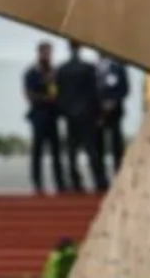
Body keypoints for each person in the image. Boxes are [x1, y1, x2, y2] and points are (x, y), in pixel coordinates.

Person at [54, 43, 107, 193]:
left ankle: (76, 183)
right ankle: (99, 181)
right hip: (87, 115)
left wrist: (63, 112)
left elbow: (59, 95)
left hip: (70, 116)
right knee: (92, 149)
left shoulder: (62, 70)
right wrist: (98, 113)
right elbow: (94, 93)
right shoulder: (88, 68)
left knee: (72, 151)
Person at [24, 41, 66, 195]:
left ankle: (60, 183)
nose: (47, 55)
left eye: (50, 52)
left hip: (53, 117)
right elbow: (29, 95)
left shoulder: (55, 73)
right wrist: (46, 98)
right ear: (39, 53)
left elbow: (58, 94)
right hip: (39, 117)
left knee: (56, 152)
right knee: (37, 152)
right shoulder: (31, 73)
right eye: (45, 52)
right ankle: (37, 183)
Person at [98, 54, 132, 171]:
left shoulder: (118, 68)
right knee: (99, 144)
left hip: (115, 112)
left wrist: (113, 101)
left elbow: (125, 89)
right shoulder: (93, 69)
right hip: (98, 113)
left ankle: (118, 170)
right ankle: (101, 176)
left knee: (116, 143)